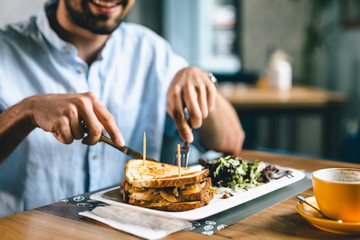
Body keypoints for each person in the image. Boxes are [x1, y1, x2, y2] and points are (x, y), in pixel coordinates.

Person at [0, 0, 244, 217]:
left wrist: (202, 80)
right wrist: (26, 112)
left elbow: (230, 141)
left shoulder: (152, 51)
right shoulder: (5, 50)